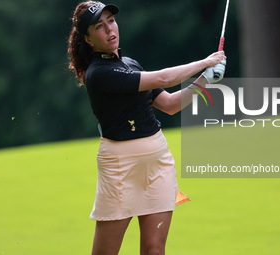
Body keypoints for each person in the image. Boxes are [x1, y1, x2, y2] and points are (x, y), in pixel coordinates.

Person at [67, 1, 226, 255]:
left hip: (157, 162)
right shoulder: (99, 73)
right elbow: (164, 78)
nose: (110, 29)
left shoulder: (130, 64)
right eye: (100, 26)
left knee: (154, 250)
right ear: (87, 38)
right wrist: (204, 62)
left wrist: (205, 79)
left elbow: (171, 104)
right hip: (121, 167)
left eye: (111, 21)